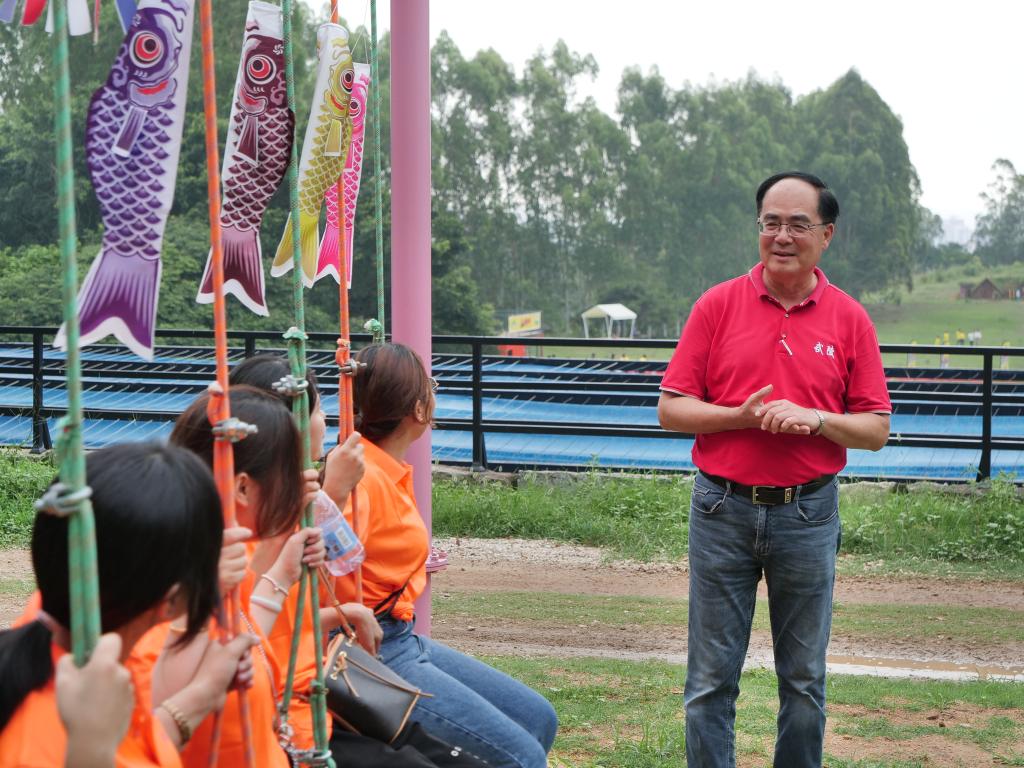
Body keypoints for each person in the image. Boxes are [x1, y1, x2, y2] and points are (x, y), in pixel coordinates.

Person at [657, 171, 891, 768]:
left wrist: (816, 419)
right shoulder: (717, 305)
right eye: (770, 222)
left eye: (797, 224)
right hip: (720, 510)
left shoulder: (849, 319)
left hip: (808, 514)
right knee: (710, 680)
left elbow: (875, 429)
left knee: (805, 681)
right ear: (758, 227)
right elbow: (671, 408)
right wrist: (737, 416)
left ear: (826, 234)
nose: (781, 235)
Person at [328, 343, 558, 768]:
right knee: (520, 756)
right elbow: (321, 557)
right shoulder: (363, 479)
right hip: (372, 647)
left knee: (538, 719)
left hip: (401, 636)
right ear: (418, 409)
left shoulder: (380, 467)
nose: (434, 394)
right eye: (431, 387)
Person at [0, 442, 255, 767]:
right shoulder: (57, 746)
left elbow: (139, 744)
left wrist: (206, 691)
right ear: (172, 601)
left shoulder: (95, 667)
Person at [156, 385, 326, 768]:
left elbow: (244, 630)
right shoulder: (171, 590)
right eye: (291, 472)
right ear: (244, 487)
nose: (304, 480)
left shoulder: (217, 560)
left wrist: (282, 573)